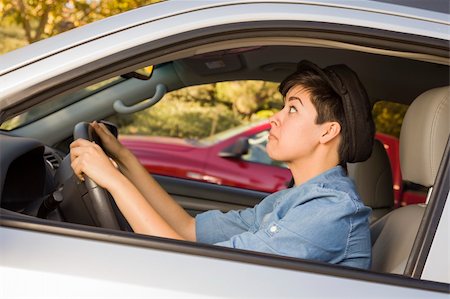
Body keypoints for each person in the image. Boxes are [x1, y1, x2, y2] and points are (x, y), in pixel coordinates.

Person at [70, 60, 375, 269]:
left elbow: (188, 263)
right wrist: (123, 159)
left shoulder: (331, 211)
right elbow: (188, 230)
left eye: (292, 109)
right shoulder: (292, 200)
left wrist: (112, 179)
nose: (274, 118)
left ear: (328, 131)